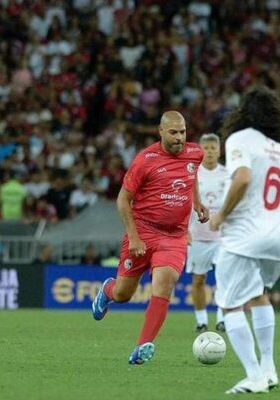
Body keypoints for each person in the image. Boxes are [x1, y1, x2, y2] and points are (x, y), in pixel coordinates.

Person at [209, 86, 280, 394]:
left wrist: (221, 215)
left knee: (229, 304)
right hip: (278, 236)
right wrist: (273, 214)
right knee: (259, 295)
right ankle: (269, 369)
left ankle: (254, 376)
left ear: (243, 112)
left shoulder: (240, 139)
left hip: (244, 235)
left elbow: (242, 178)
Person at [91, 111, 209, 365]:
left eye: (183, 132)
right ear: (161, 131)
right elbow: (123, 200)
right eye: (174, 132)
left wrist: (197, 201)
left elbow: (191, 174)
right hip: (143, 231)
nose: (180, 138)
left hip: (175, 236)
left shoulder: (195, 153)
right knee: (123, 293)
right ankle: (107, 292)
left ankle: (143, 345)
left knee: (165, 282)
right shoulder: (145, 160)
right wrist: (133, 237)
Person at [186, 133, 228, 333]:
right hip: (198, 236)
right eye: (206, 148)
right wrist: (184, 231)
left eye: (213, 148)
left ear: (219, 151)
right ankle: (201, 320)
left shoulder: (228, 174)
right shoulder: (193, 174)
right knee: (198, 279)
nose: (210, 151)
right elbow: (185, 206)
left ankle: (222, 319)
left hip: (222, 237)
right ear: (200, 150)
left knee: (224, 277)